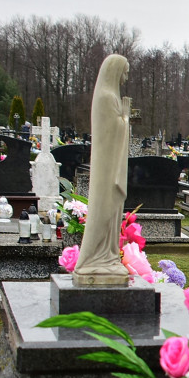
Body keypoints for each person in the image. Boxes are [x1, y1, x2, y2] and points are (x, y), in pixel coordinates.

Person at [74, 54, 132, 285]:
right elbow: (113, 130)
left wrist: (124, 118)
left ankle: (107, 255)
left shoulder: (110, 95)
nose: (126, 77)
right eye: (125, 71)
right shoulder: (107, 97)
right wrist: (125, 117)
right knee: (104, 208)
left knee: (113, 210)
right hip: (108, 169)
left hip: (111, 165)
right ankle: (94, 258)